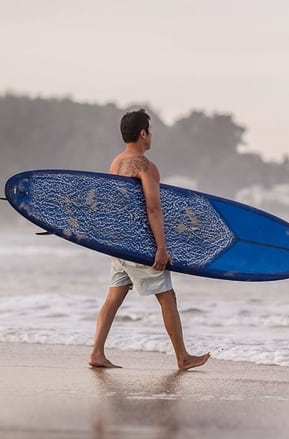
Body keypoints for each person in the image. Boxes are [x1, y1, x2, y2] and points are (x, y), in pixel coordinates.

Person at [88, 109, 210, 371]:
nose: (152, 134)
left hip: (119, 243)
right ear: (143, 133)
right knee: (167, 297)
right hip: (138, 245)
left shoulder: (116, 163)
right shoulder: (146, 167)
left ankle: (97, 353)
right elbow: (153, 209)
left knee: (113, 298)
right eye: (150, 130)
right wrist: (161, 248)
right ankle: (182, 357)